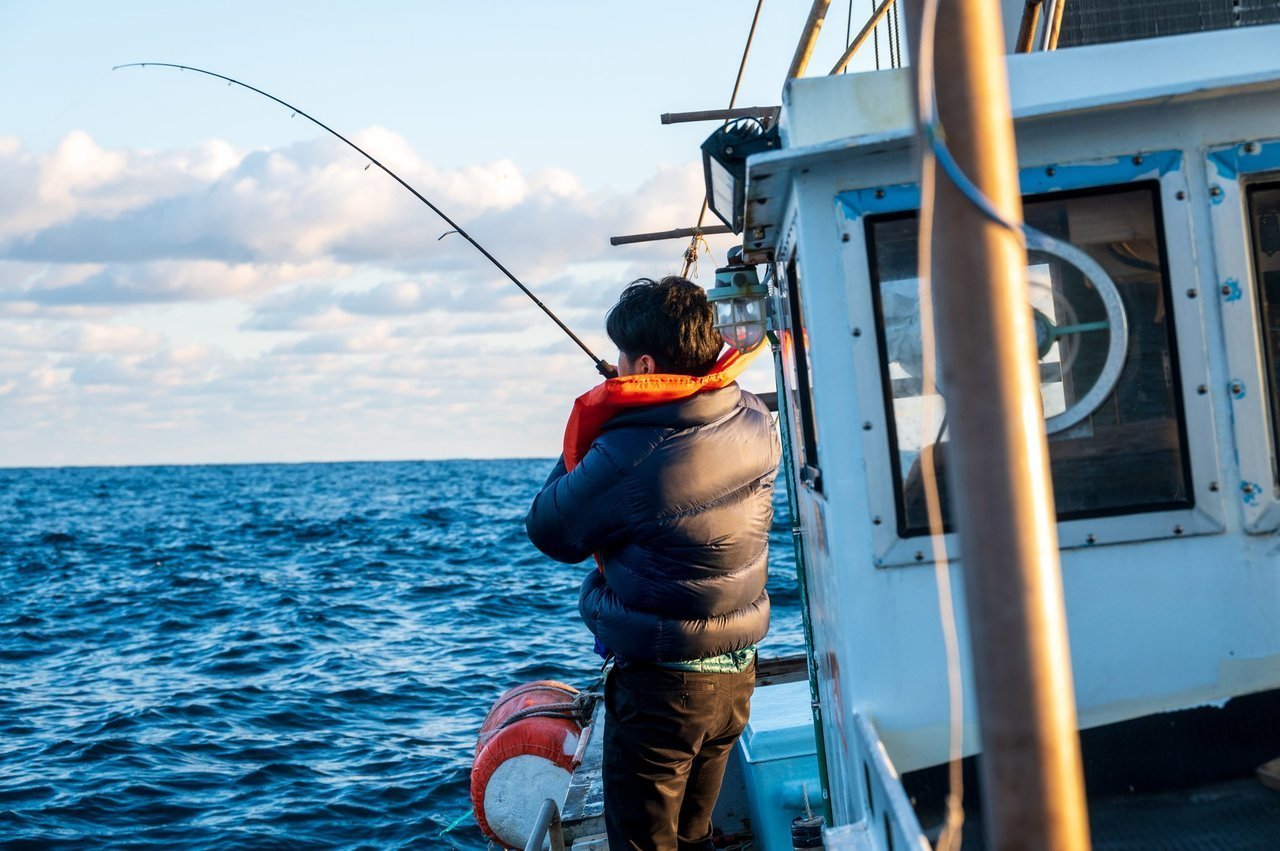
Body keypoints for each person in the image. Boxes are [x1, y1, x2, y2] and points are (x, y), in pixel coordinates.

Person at [526, 276, 780, 851]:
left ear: (643, 365)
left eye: (621, 360)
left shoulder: (628, 450)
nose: (615, 371)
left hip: (665, 688)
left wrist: (597, 425)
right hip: (736, 674)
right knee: (694, 836)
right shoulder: (755, 417)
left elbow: (550, 529)